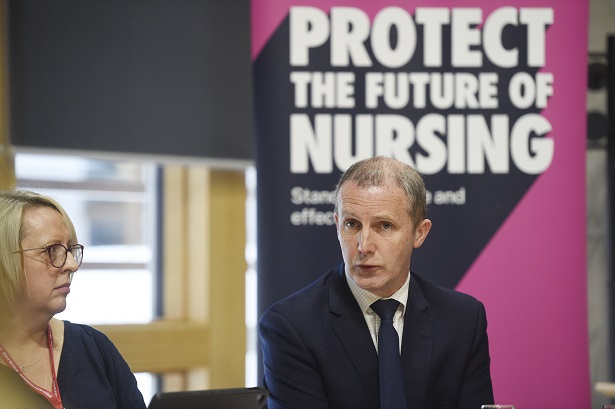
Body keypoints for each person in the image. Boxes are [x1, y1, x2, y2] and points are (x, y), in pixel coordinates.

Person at [259, 156, 494, 409]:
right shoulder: (291, 327)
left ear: (419, 232)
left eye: (384, 226)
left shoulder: (463, 320)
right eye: (352, 224)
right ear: (338, 225)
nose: (364, 246)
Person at [0, 189, 146, 409]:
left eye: (69, 249)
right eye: (52, 250)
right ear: (4, 259)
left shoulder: (94, 346)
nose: (72, 265)